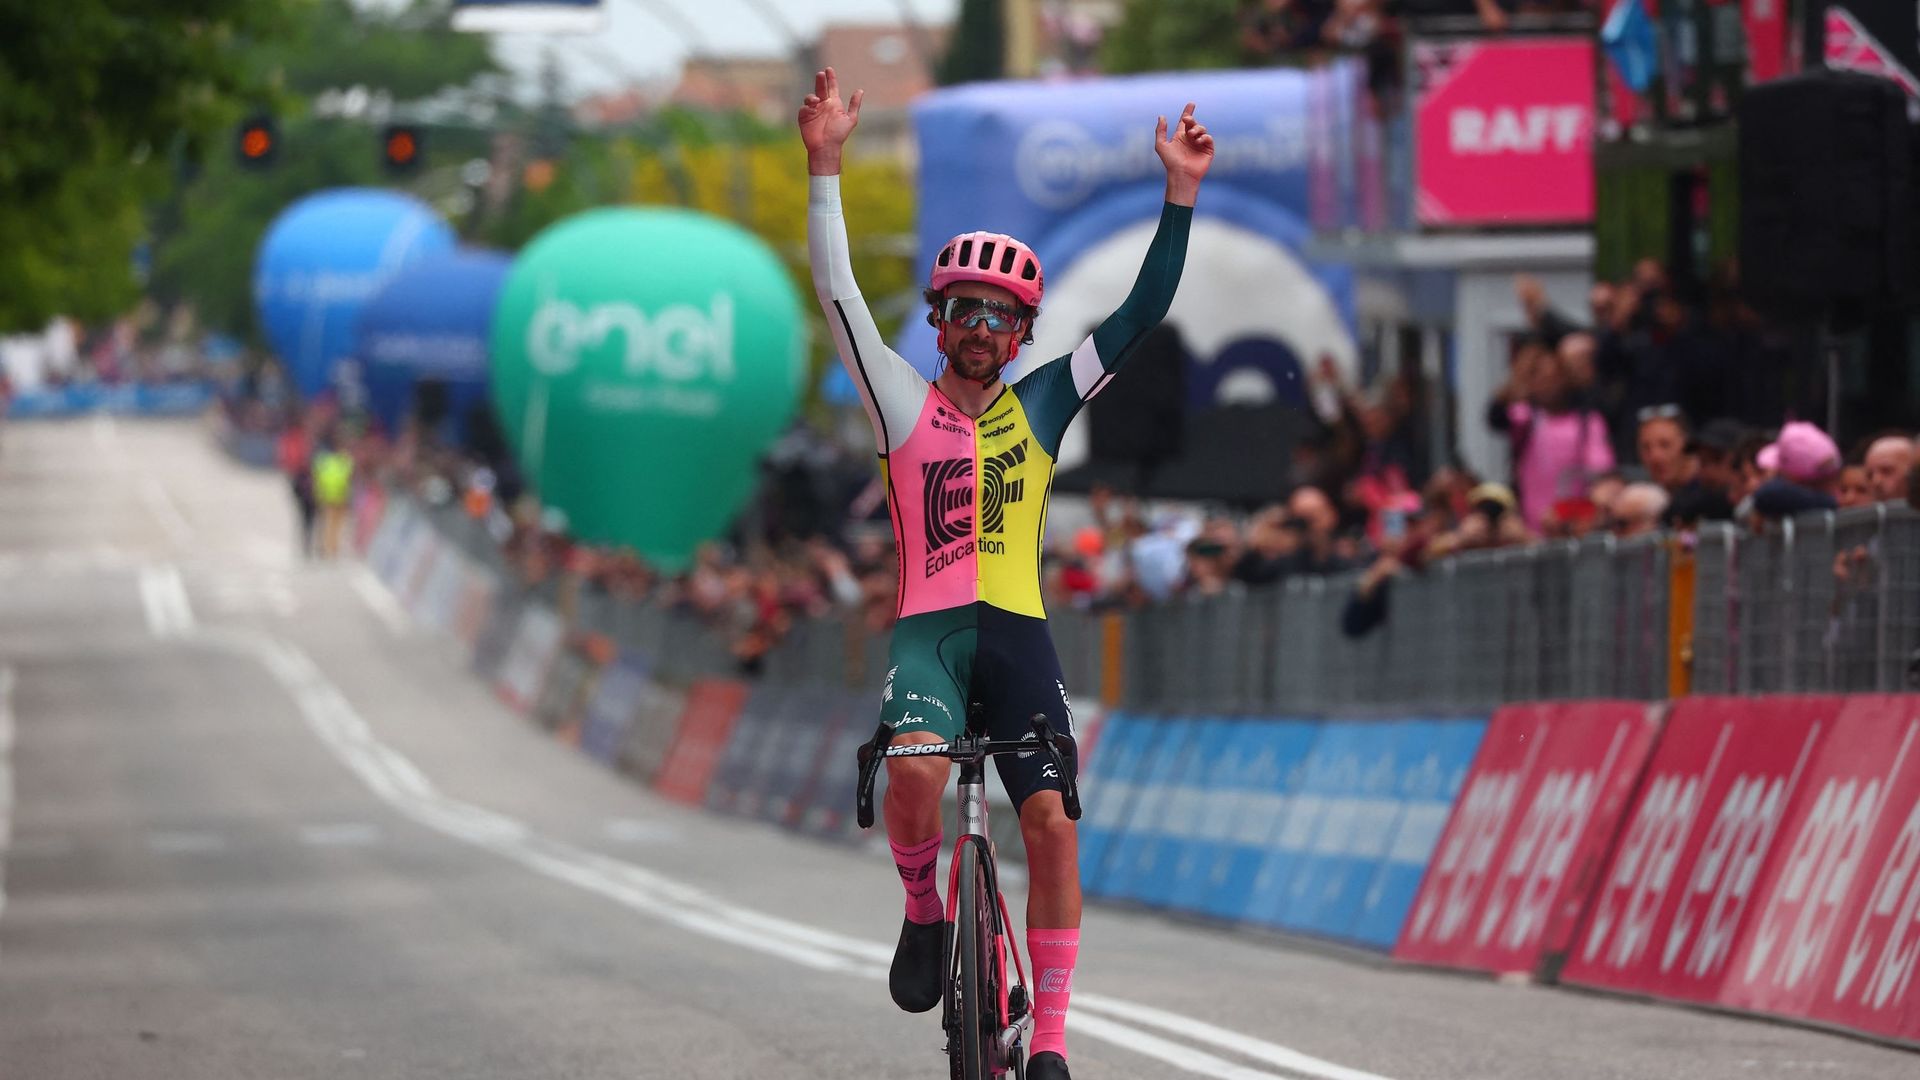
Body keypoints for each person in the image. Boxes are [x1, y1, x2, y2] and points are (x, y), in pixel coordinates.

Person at [799, 67, 1212, 1079]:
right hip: (928, 635)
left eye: (1001, 315)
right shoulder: (896, 398)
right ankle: (923, 910)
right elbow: (838, 289)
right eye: (964, 310)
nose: (982, 328)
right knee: (913, 776)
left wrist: (1180, 196)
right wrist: (825, 163)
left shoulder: (1046, 401)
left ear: (1022, 333)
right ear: (937, 323)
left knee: (1054, 828)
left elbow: (1141, 310)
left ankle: (1056, 1037)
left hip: (1020, 635)